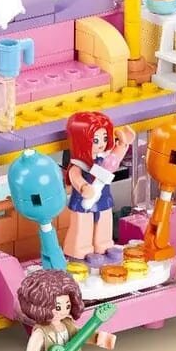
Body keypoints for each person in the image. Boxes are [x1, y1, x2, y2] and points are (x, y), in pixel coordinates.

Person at [63, 111, 135, 258]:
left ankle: (104, 244)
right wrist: (83, 186)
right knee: (83, 225)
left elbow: (114, 158)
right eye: (96, 140)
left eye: (105, 138)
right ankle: (80, 248)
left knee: (104, 221)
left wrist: (123, 144)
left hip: (103, 196)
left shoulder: (104, 157)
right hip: (84, 200)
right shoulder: (79, 163)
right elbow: (74, 175)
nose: (102, 144)